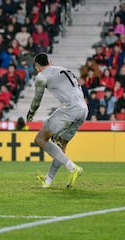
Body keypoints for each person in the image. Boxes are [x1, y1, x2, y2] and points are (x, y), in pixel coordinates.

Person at [26, 53, 88, 188]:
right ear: (50, 61)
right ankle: (48, 180)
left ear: (37, 67)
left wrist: (31, 113)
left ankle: (72, 168)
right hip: (83, 109)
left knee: (40, 140)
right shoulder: (66, 70)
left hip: (69, 109)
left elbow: (37, 100)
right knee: (60, 144)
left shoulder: (41, 77)